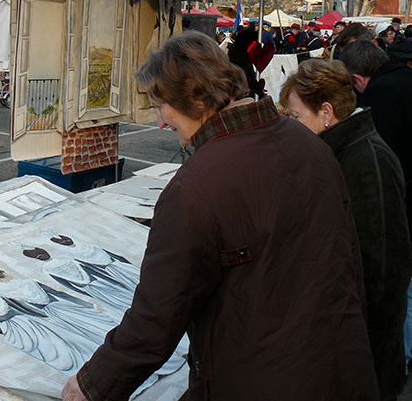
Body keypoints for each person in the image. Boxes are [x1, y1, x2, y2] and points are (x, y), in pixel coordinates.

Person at [61, 31, 377, 401]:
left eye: (161, 106)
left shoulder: (194, 190)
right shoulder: (309, 143)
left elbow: (154, 321)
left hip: (264, 382)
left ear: (195, 98)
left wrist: (93, 385)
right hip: (343, 371)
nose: (161, 122)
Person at [280, 59, 412, 400]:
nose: (291, 126)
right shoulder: (337, 152)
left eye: (295, 117)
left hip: (362, 352)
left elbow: (380, 271)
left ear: (326, 112)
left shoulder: (367, 161)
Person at [341, 40, 412, 371]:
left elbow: (381, 150)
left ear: (358, 78)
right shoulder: (404, 77)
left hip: (403, 192)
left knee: (404, 283)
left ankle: (407, 352)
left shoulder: (381, 93)